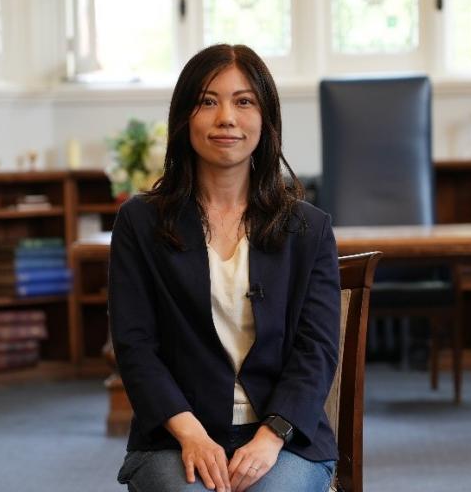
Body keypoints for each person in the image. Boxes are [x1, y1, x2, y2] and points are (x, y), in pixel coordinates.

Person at [109, 43, 340, 492]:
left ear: (265, 119)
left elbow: (317, 350)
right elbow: (135, 347)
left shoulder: (308, 229)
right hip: (174, 435)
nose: (226, 118)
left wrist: (272, 436)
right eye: (208, 101)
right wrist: (192, 434)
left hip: (284, 437)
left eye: (244, 101)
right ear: (184, 118)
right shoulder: (140, 223)